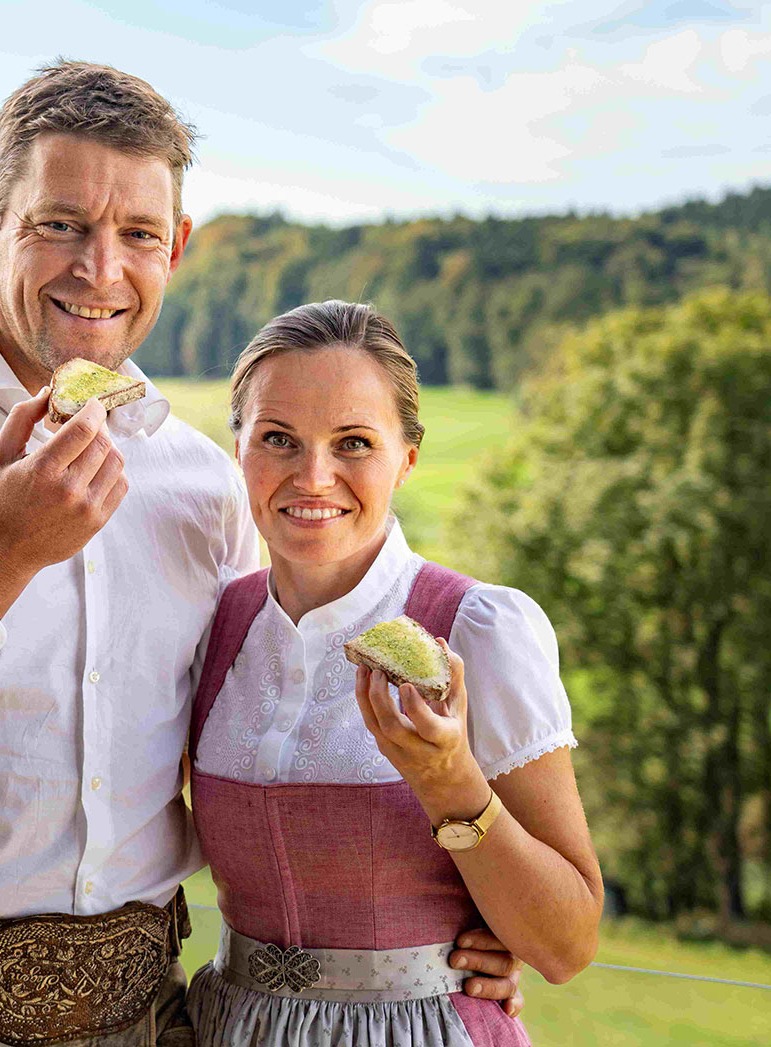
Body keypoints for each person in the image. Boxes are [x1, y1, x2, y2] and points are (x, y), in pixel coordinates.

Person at [0, 61, 525, 1047]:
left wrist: (446, 929)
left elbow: (271, 749)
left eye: (138, 234)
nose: (100, 269)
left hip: (152, 1022)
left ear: (176, 248)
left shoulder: (204, 483)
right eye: (60, 223)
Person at [183, 301, 603, 1046]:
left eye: (353, 443)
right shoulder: (213, 626)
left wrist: (450, 781)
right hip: (230, 1026)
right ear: (238, 446)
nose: (314, 476)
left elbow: (565, 945)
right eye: (278, 438)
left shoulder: (479, 628)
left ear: (406, 457)